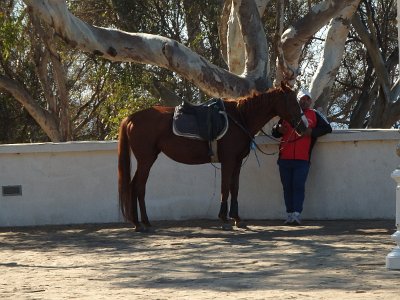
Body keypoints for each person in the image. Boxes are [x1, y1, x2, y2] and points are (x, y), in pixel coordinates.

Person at [272, 90, 332, 225]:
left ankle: (297, 214)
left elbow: (328, 129)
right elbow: (275, 131)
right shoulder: (288, 113)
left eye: (307, 99)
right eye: (302, 99)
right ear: (297, 101)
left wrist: (312, 132)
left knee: (298, 186)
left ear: (310, 101)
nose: (304, 101)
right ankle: (289, 214)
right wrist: (278, 128)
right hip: (284, 158)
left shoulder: (315, 115)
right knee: (287, 187)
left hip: (303, 159)